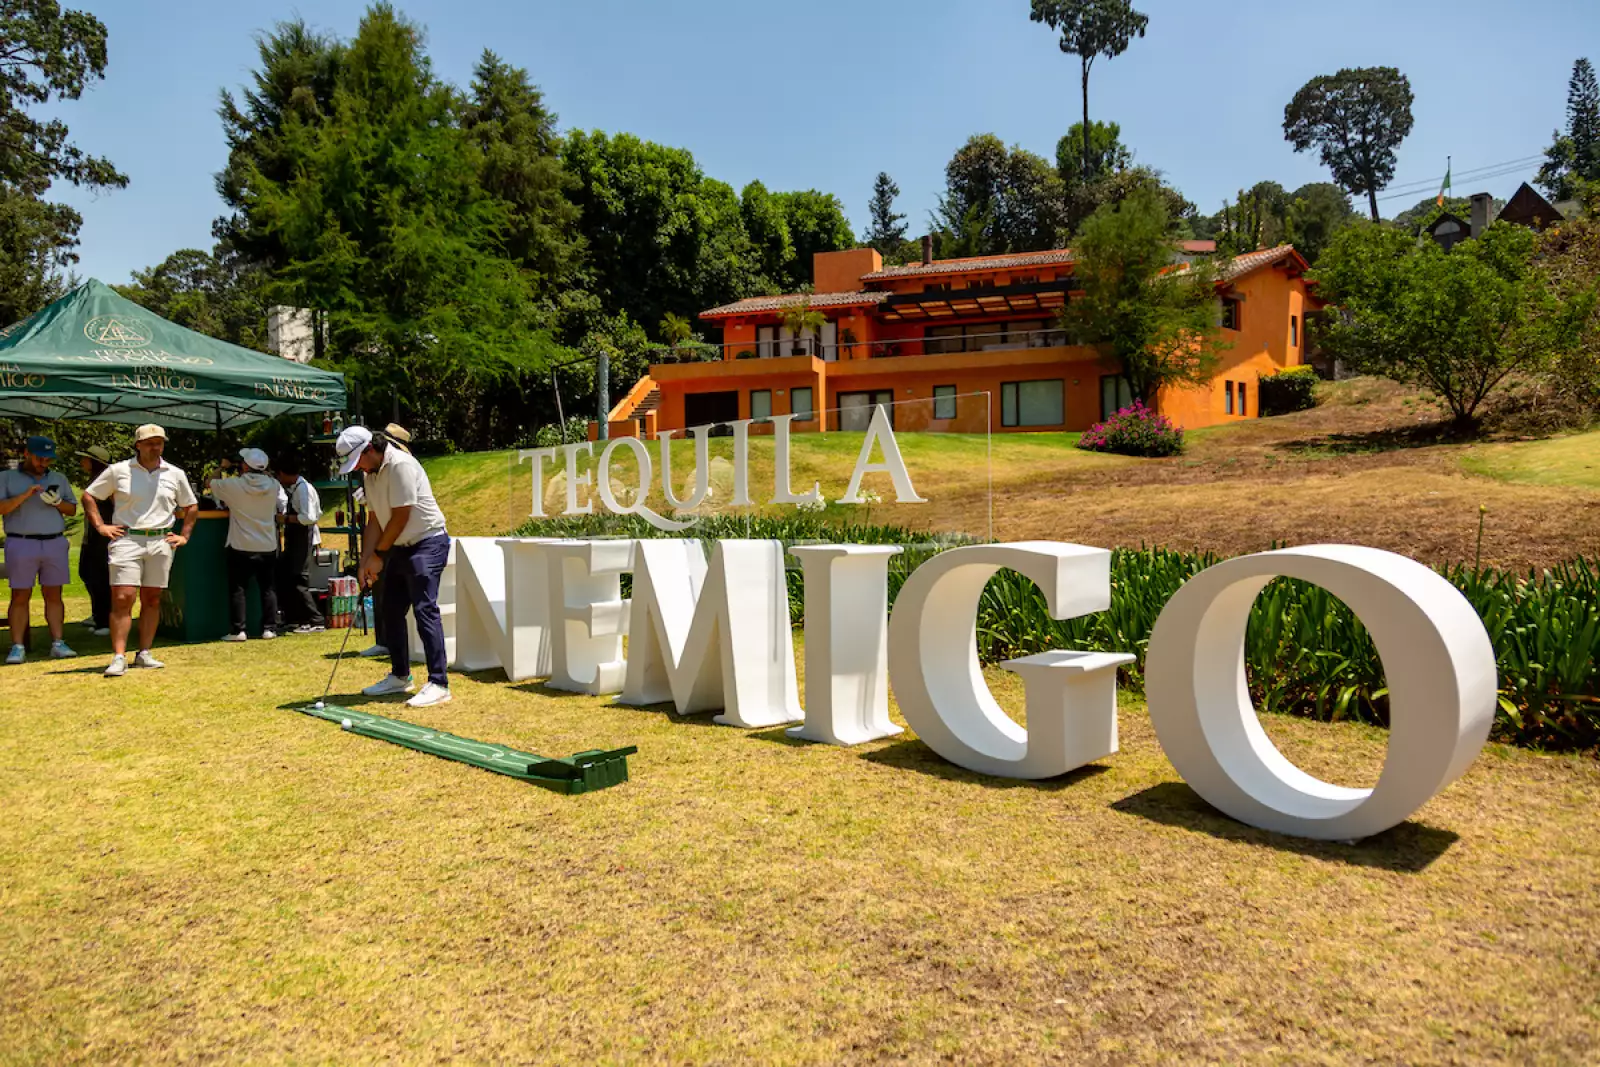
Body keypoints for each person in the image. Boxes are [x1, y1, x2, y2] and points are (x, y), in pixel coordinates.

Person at [335, 424, 452, 708]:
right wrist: (365, 562)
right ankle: (400, 676)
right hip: (400, 545)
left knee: (425, 609)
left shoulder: (400, 464)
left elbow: (401, 516)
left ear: (371, 449)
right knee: (390, 609)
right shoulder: (370, 473)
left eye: (358, 460)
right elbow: (375, 520)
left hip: (428, 541)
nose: (357, 468)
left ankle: (439, 683)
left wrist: (379, 556)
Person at [84, 424, 198, 677]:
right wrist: (101, 526)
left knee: (152, 598)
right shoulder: (119, 471)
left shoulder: (175, 473)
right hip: (127, 539)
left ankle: (144, 653)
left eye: (159, 442)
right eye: (149, 442)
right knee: (123, 597)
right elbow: (90, 496)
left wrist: (184, 535)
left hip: (160, 541)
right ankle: (118, 656)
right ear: (138, 444)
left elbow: (190, 505)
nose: (155, 447)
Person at [0, 436, 79, 663]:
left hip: (54, 541)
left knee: (54, 595)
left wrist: (56, 502)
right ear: (26, 454)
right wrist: (25, 495)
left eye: (48, 458)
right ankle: (17, 646)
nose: (44, 462)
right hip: (21, 541)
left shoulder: (58, 478)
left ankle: (58, 642)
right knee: (20, 595)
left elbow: (72, 509)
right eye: (39, 457)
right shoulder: (6, 478)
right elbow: (1, 508)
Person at [208, 447, 282, 642]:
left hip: (241, 544)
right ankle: (269, 628)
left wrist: (222, 467)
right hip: (267, 544)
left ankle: (238, 630)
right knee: (268, 588)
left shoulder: (233, 485)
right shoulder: (274, 485)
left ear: (245, 465)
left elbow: (210, 483)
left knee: (238, 588)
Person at [273, 454, 325, 634]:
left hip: (303, 536)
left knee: (299, 578)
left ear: (283, 473)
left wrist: (285, 518)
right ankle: (296, 618)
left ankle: (316, 619)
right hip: (294, 536)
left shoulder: (303, 489)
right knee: (288, 576)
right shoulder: (296, 488)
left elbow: (308, 517)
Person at [76, 446, 113, 635]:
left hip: (103, 537)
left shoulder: (107, 482)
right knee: (86, 573)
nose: (82, 462)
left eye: (85, 458)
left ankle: (105, 621)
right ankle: (97, 613)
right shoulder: (93, 481)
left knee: (101, 578)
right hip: (91, 536)